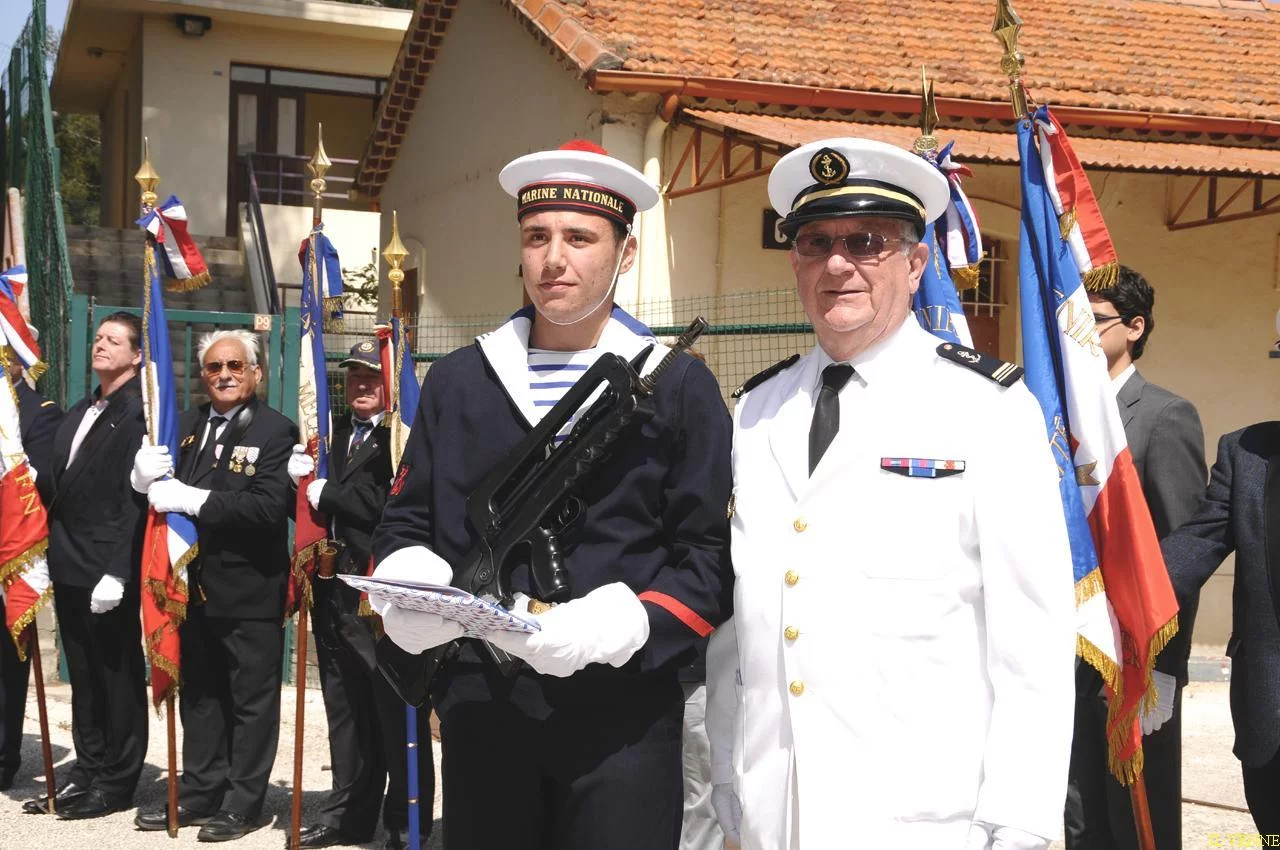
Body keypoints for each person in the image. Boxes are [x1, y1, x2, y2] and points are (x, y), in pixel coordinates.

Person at [705, 137, 1077, 850]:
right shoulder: (757, 411)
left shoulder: (986, 408)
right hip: (776, 811)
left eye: (866, 242)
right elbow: (746, 618)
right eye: (815, 242)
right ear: (794, 262)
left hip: (924, 817)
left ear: (916, 263)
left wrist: (1022, 821)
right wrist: (729, 772)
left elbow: (1030, 634)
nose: (837, 264)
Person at [369, 139, 733, 850]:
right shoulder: (460, 380)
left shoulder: (680, 388)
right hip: (484, 705)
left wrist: (625, 624)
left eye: (580, 237)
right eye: (537, 236)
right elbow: (406, 520)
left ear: (625, 254)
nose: (554, 259)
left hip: (621, 716)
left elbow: (709, 560)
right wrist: (408, 585)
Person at [131, 329, 296, 841]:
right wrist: (143, 482)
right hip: (192, 589)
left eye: (235, 366)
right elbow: (160, 499)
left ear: (256, 373)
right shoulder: (184, 427)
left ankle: (243, 802)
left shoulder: (276, 431)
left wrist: (193, 498)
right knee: (201, 697)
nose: (223, 375)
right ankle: (201, 792)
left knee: (250, 703)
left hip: (249, 590)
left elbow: (269, 507)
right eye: (213, 368)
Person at [1065, 267, 1206, 849]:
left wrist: (1162, 668)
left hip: (1134, 662)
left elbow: (1182, 553)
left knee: (1136, 824)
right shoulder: (1061, 420)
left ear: (1135, 327)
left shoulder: (1165, 417)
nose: (1080, 335)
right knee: (1078, 816)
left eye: (1094, 323)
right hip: (1070, 652)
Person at [288, 340, 434, 850]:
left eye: (371, 377)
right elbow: (315, 505)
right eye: (353, 377)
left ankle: (403, 820)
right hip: (334, 590)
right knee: (345, 708)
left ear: (389, 384)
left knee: (393, 709)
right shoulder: (336, 437)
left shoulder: (404, 438)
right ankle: (346, 814)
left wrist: (329, 493)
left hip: (380, 593)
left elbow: (391, 504)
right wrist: (302, 486)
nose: (362, 386)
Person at [22, 312, 148, 819]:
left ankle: (117, 780)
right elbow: (59, 481)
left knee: (116, 676)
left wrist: (118, 570)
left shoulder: (140, 413)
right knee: (85, 678)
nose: (100, 345)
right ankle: (87, 769)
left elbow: (131, 503)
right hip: (69, 561)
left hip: (105, 568)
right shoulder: (82, 408)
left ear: (137, 356)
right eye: (97, 338)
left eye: (113, 341)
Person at [1160, 401, 1280, 832]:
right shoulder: (1248, 452)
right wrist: (1113, 598)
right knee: (1273, 835)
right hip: (1271, 708)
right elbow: (1198, 542)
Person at [0, 347, 62, 792]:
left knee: (4, 660)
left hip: (10, 554)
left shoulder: (42, 415)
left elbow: (45, 485)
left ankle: (2, 755)